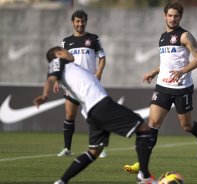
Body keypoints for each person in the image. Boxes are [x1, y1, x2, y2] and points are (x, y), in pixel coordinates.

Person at [33, 46, 158, 184]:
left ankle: (61, 181)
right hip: (100, 104)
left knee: (93, 152)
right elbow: (51, 78)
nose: (69, 52)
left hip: (93, 111)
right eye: (64, 51)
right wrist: (45, 95)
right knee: (144, 129)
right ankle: (144, 176)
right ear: (58, 55)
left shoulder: (70, 66)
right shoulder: (58, 62)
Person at [123, 1, 197, 173]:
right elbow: (166, 63)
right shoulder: (162, 37)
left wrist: (183, 71)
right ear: (164, 16)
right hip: (163, 87)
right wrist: (153, 72)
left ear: (180, 17)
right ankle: (142, 165)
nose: (173, 19)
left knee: (186, 126)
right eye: (170, 15)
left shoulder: (185, 36)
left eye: (176, 16)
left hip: (182, 88)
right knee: (152, 123)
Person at [56, 10, 107, 157]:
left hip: (89, 84)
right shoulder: (66, 42)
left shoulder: (93, 39)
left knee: (94, 116)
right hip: (72, 85)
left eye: (83, 21)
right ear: (73, 22)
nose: (80, 24)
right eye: (77, 21)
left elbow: (102, 58)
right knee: (69, 115)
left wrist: (98, 73)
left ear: (86, 21)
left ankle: (99, 148)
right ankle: (67, 149)